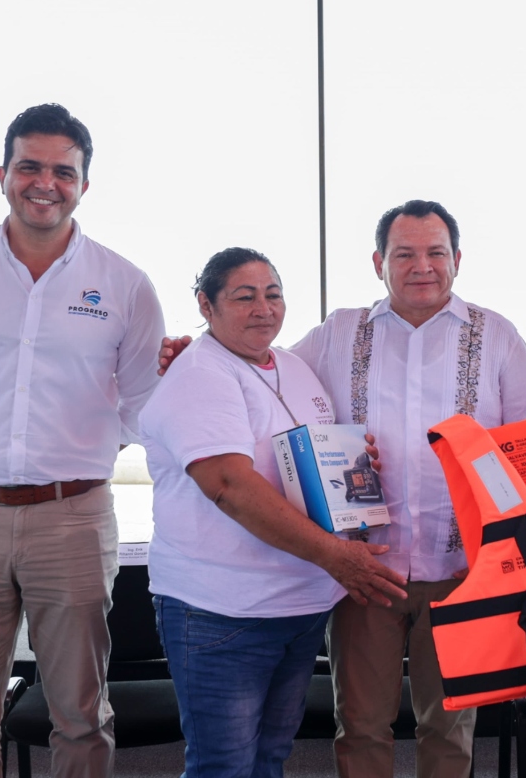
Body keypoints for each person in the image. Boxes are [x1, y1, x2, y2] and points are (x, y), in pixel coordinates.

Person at [161, 199, 526, 778]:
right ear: (378, 262)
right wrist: (195, 349)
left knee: (451, 724)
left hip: (461, 568)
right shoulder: (340, 333)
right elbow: (264, 369)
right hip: (366, 571)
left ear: (458, 260)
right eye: (405, 254)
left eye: (436, 253)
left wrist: (509, 558)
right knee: (362, 725)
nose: (422, 266)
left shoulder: (499, 338)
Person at [0, 103, 167, 777]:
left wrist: (77, 449)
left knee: (80, 713)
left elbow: (141, 405)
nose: (45, 182)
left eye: (62, 171)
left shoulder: (124, 284)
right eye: (30, 167)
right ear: (3, 174)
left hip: (73, 518)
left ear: (83, 184)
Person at [139, 248, 407, 777]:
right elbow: (230, 486)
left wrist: (355, 458)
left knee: (270, 756)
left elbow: (308, 455)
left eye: (273, 294)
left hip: (296, 607)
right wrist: (338, 557)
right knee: (225, 765)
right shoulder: (199, 374)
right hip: (223, 611)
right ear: (206, 305)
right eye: (244, 296)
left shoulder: (291, 364)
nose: (263, 308)